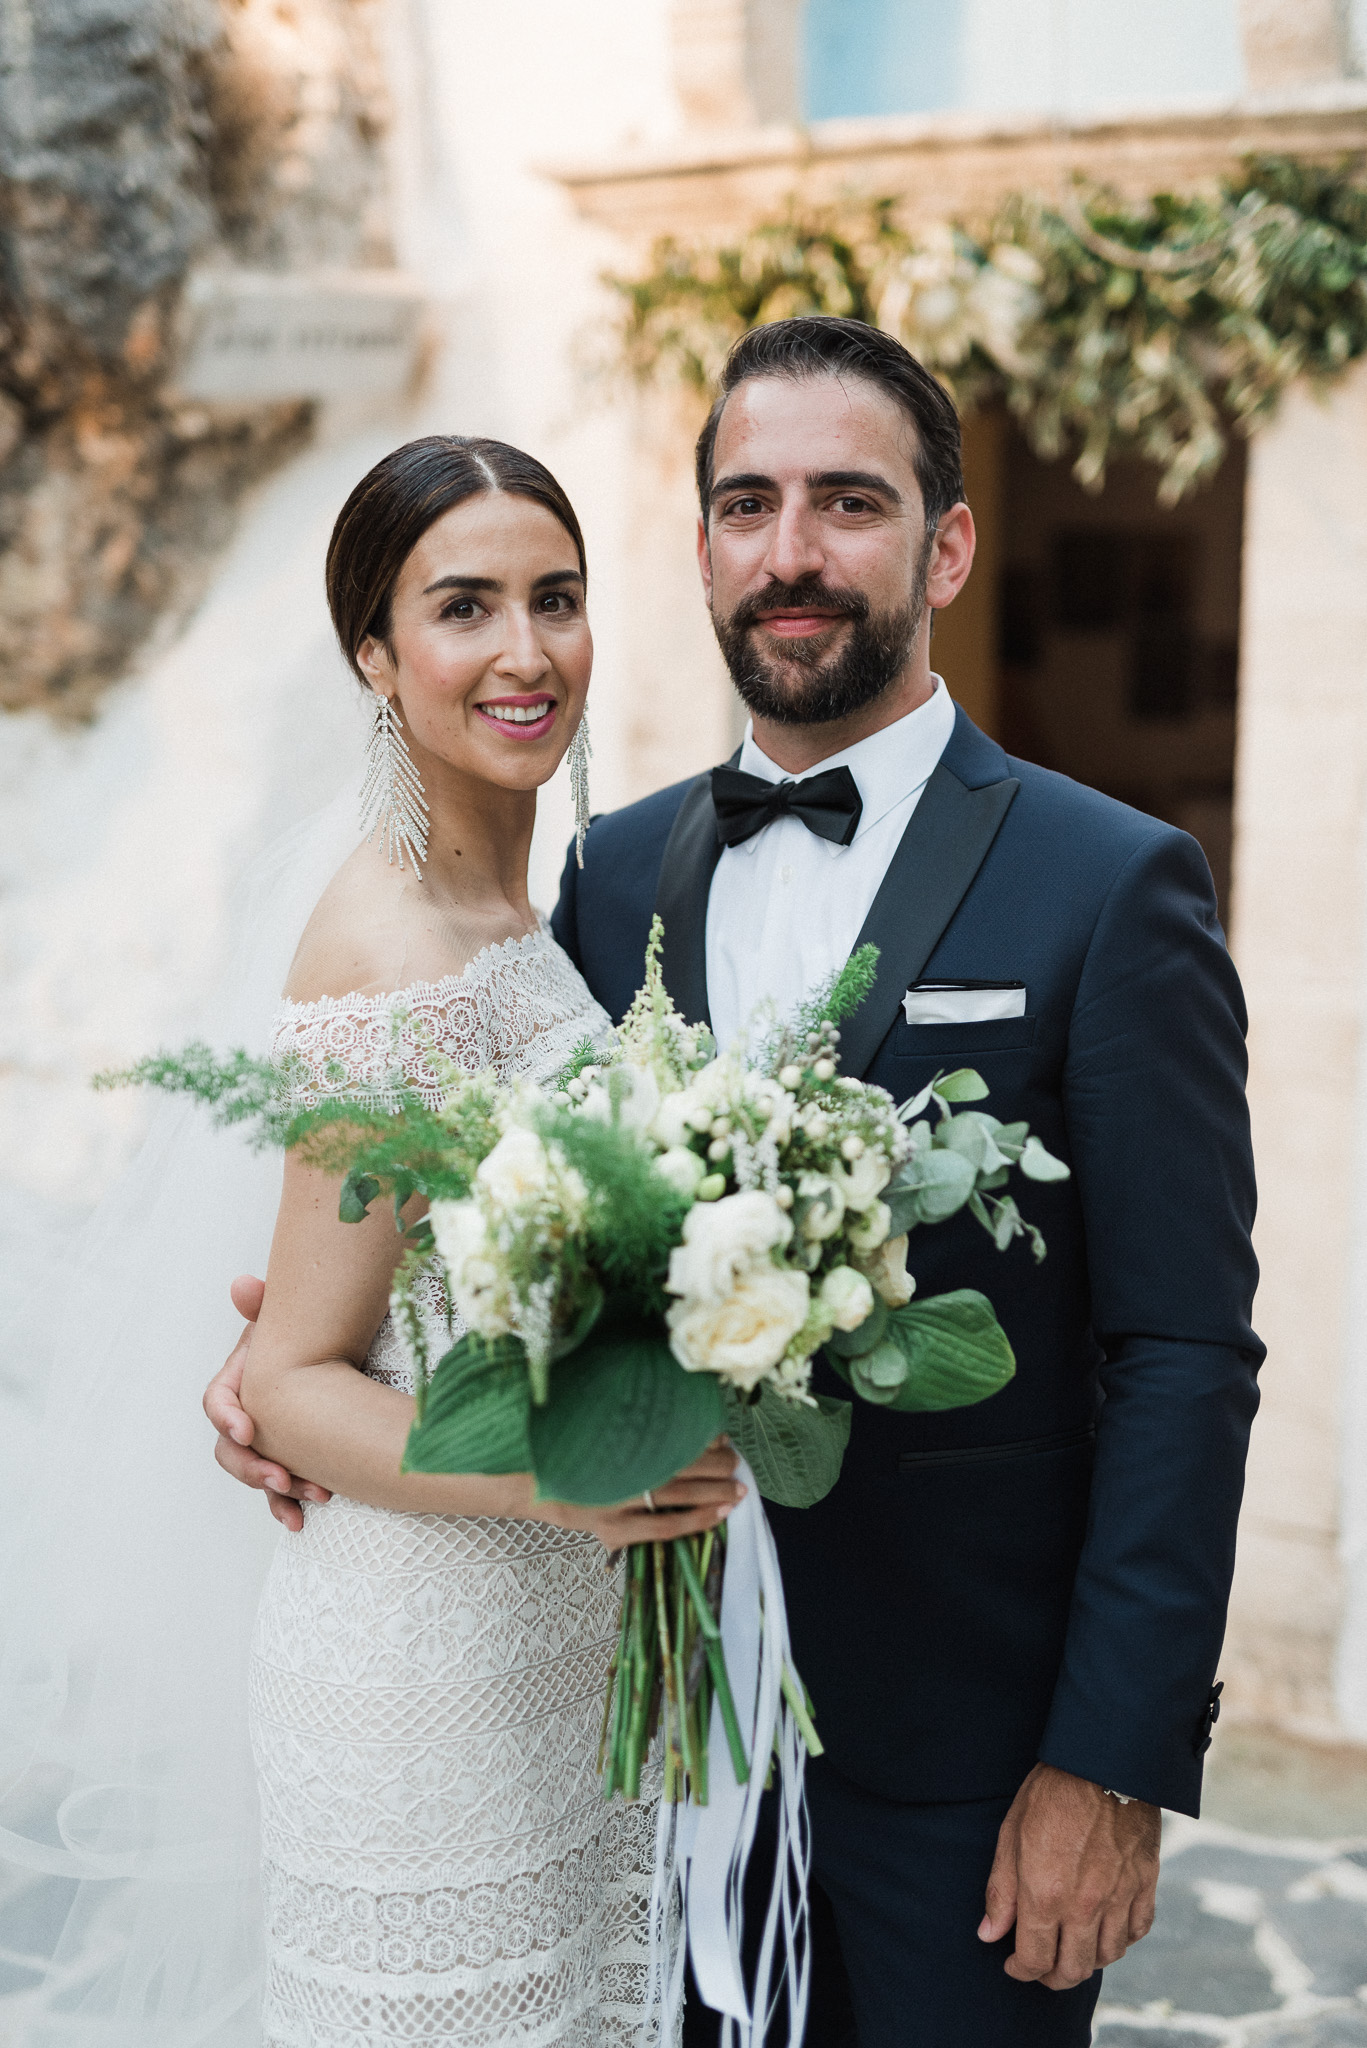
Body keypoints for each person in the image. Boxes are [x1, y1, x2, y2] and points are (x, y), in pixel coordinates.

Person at [211, 319, 1262, 2046]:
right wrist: (305, 1377)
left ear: (946, 544)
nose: (792, 552)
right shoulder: (608, 880)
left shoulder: (1112, 883)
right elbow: (473, 1220)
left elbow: (1184, 1356)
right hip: (644, 1741)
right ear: (698, 544)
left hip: (963, 1778)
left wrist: (1111, 1759)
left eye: (849, 502)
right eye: (749, 503)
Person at [0, 434, 741, 2047]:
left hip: (561, 1661)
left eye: (557, 598)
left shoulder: (532, 914)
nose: (526, 651)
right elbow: (294, 1381)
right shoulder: (389, 945)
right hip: (422, 1683)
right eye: (463, 607)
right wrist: (575, 1476)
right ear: (374, 656)